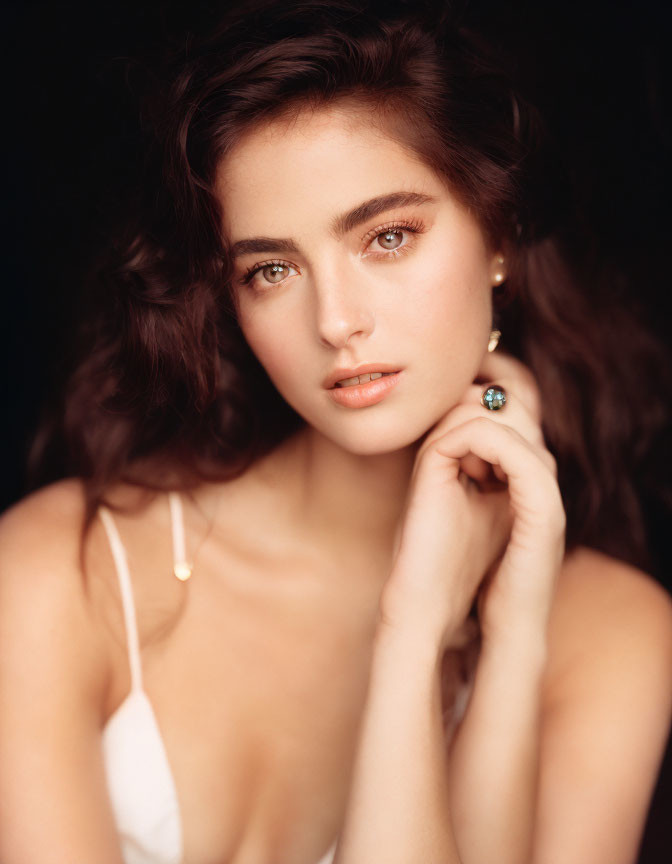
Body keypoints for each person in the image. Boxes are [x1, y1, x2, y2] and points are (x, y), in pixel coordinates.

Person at [1, 1, 671, 862]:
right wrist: (416, 618)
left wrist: (466, 640)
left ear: (498, 233)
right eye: (272, 269)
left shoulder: (606, 633)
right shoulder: (68, 572)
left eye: (387, 237)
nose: (337, 321)